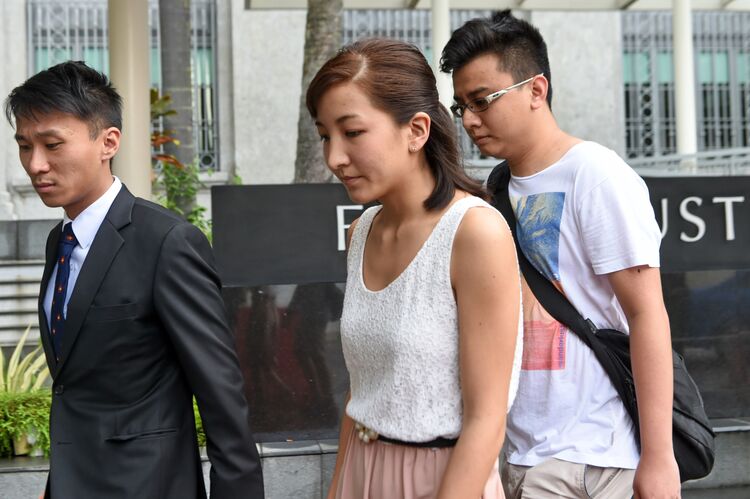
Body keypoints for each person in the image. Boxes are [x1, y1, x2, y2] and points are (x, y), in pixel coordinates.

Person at [441, 10, 680, 499]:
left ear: (536, 90)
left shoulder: (595, 175)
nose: (469, 120)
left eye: (482, 100)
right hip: (518, 453)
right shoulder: (496, 189)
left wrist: (659, 459)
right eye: (460, 105)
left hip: (592, 458)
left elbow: (647, 313)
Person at [5, 61, 264, 499]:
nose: (36, 164)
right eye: (25, 146)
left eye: (52, 144)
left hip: (149, 485)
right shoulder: (59, 242)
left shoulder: (167, 241)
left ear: (108, 142)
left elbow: (221, 395)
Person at [306, 38, 523, 499]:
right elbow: (360, 392)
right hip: (360, 468)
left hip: (446, 478)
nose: (334, 157)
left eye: (352, 132)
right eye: (325, 136)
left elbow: (487, 420)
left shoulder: (475, 232)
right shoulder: (361, 232)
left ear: (417, 130)